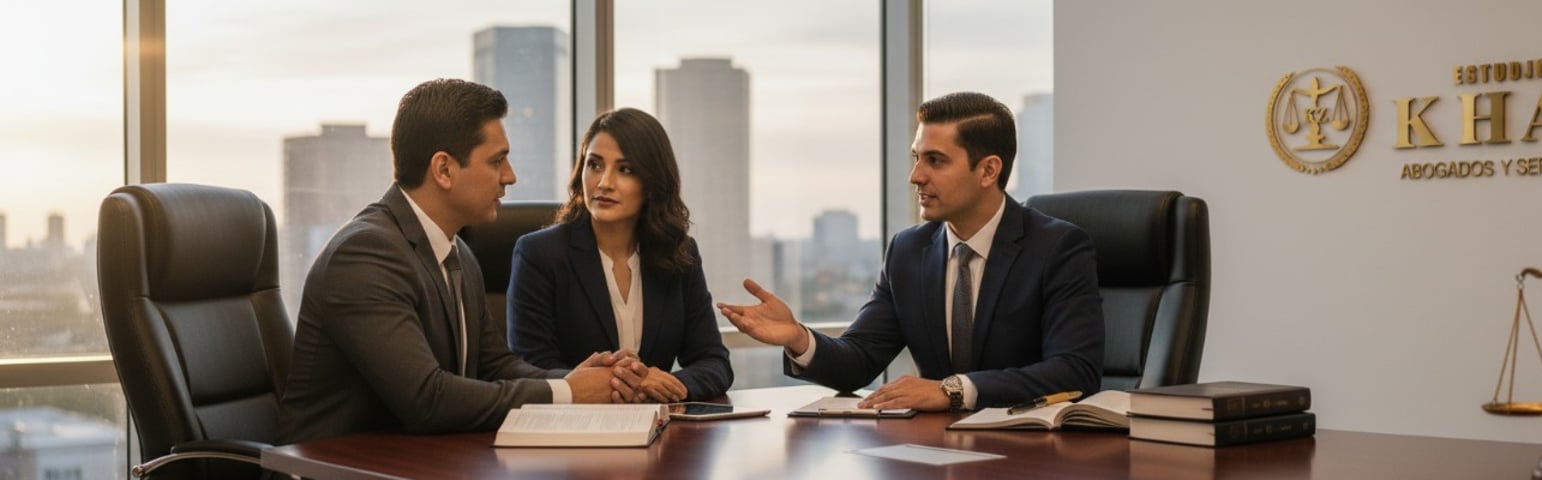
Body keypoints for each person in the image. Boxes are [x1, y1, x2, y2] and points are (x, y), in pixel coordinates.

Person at [277, 79, 646, 445]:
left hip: (418, 460)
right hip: (335, 468)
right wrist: (567, 394)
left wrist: (575, 381)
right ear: (444, 170)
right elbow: (427, 400)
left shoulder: (457, 253)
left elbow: (495, 366)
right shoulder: (363, 256)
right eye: (497, 161)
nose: (510, 176)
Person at [719, 92, 1104, 412]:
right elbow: (858, 362)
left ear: (988, 171)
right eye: (916, 157)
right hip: (939, 448)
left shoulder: (1058, 247)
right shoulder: (908, 250)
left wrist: (951, 389)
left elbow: (1074, 371)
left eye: (935, 160)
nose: (915, 176)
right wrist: (798, 338)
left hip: (1033, 453)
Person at [507, 108, 732, 402]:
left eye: (625, 169)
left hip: (657, 430)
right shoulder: (540, 254)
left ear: (652, 183)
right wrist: (613, 382)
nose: (604, 183)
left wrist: (668, 383)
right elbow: (529, 367)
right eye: (595, 165)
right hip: (572, 434)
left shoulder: (679, 254)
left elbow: (713, 361)